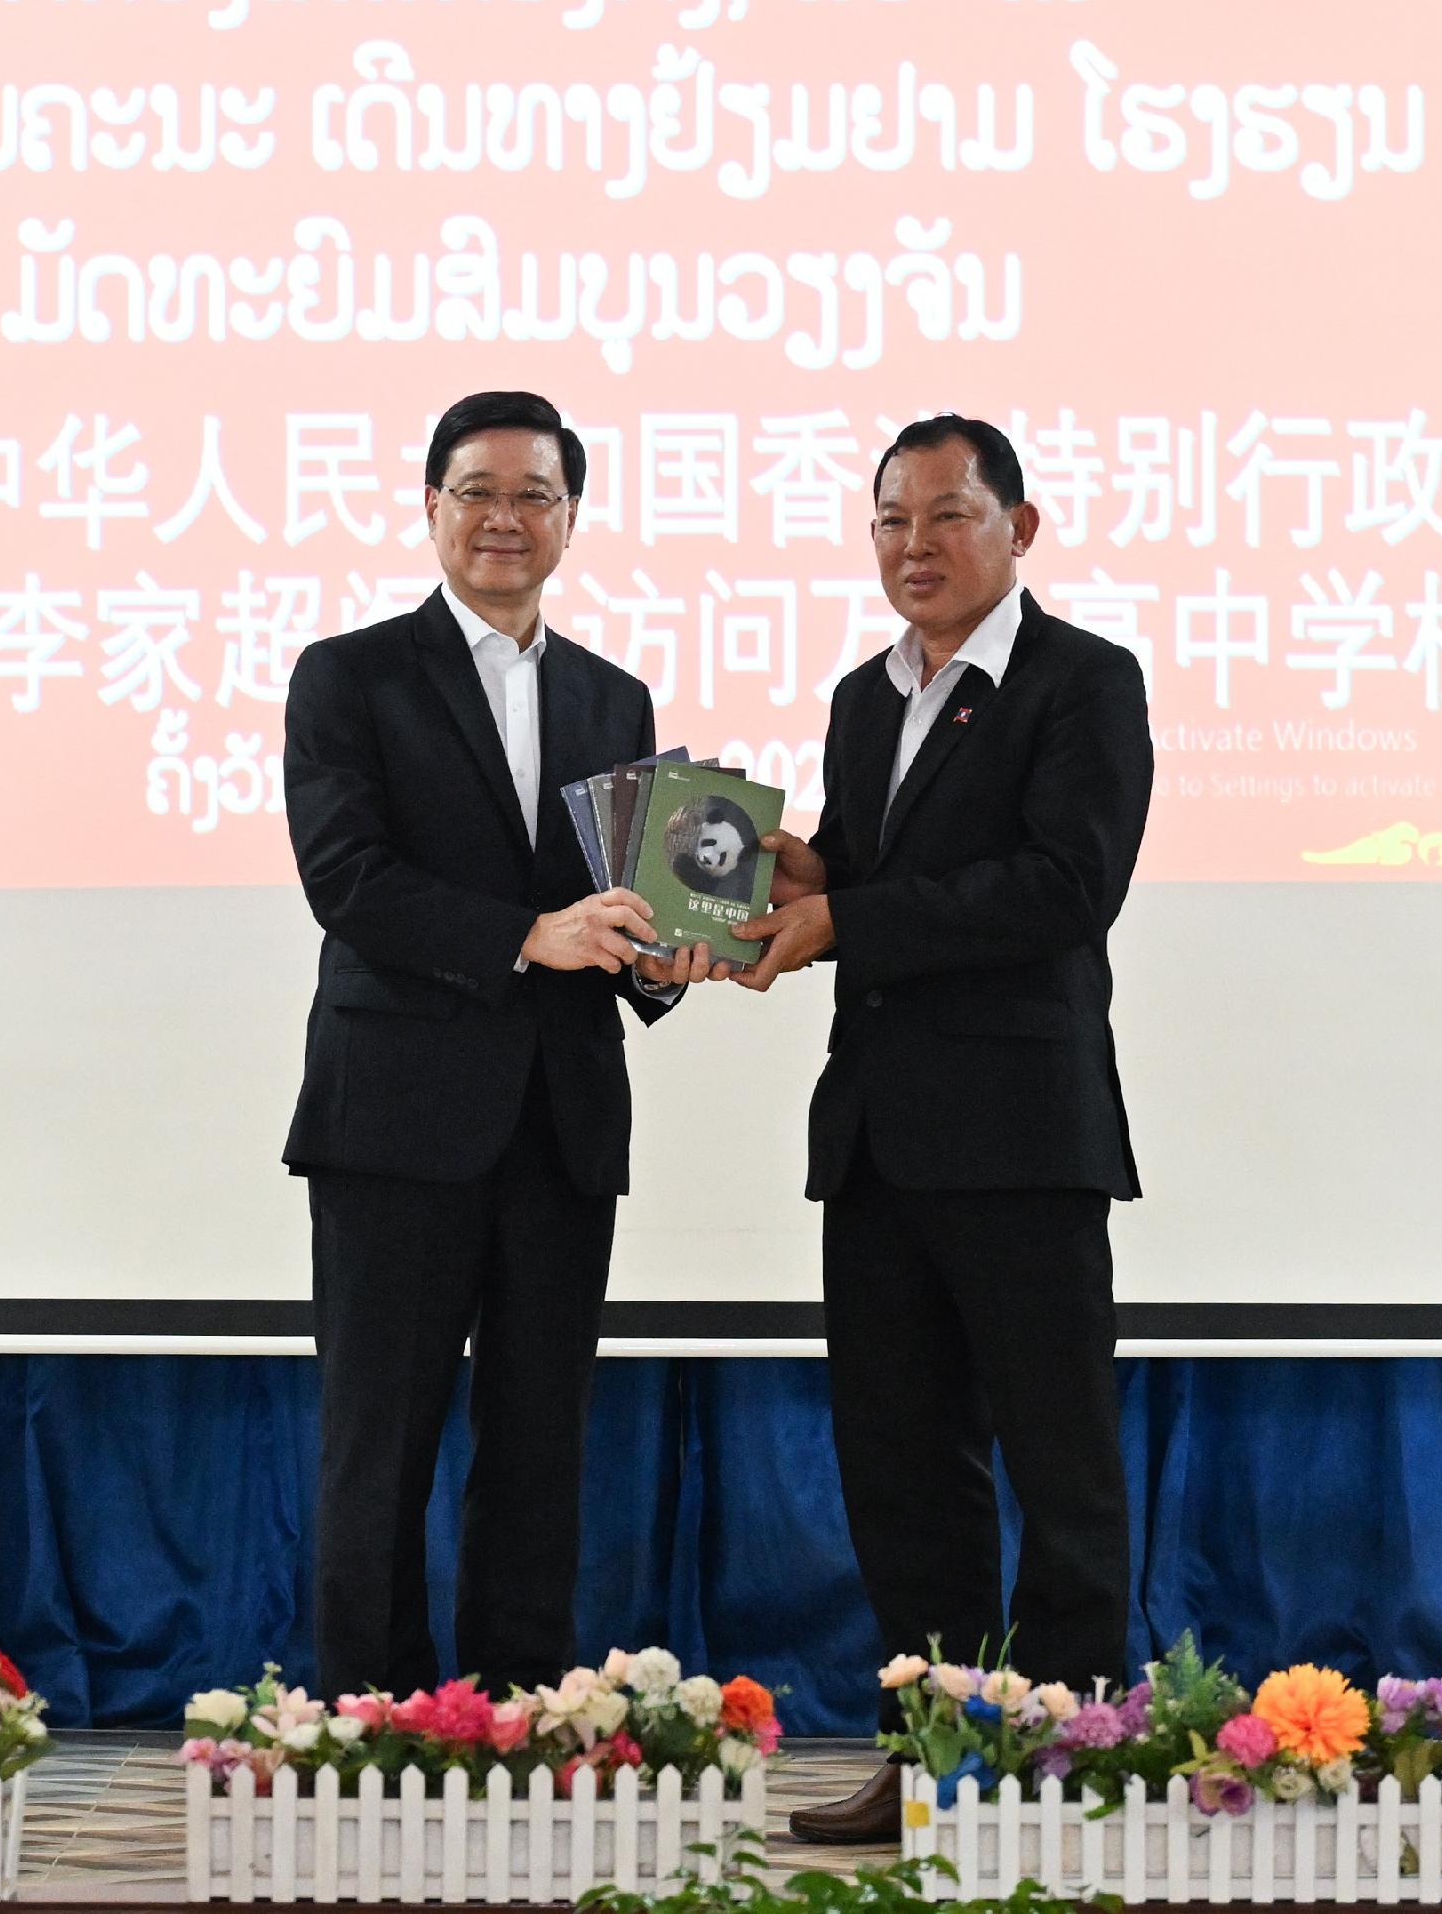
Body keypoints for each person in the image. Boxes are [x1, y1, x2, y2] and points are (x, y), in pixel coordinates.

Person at [721, 413, 1157, 1843]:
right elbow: (888, 875)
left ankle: (1080, 1763)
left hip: (1024, 1137)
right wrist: (800, 872)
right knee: (905, 1477)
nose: (916, 547)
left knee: (1060, 1465)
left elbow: (1059, 886)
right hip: (880, 1141)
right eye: (891, 522)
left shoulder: (1085, 683)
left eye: (947, 517)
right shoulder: (866, 694)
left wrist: (845, 911)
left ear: (1020, 530)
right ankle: (936, 1762)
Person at [279, 389, 712, 1695]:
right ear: (430, 508)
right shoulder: (347, 676)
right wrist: (533, 933)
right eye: (478, 491)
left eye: (534, 495)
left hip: (561, 1123)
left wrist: (672, 958)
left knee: (540, 1445)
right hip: (397, 1121)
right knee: (381, 1443)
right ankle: (371, 1718)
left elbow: (631, 916)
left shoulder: (613, 699)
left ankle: (520, 1710)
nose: (505, 519)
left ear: (572, 520)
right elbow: (347, 878)